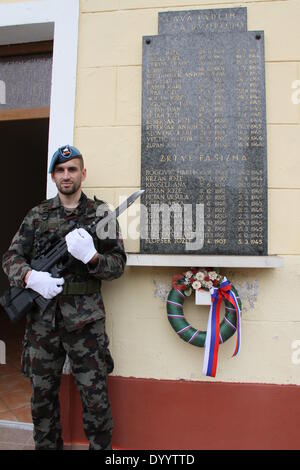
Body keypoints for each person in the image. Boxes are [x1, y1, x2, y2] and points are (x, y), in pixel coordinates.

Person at [2, 145, 126, 450]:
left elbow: (118, 264)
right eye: (61, 170)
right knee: (42, 400)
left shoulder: (100, 214)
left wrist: (93, 258)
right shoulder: (37, 216)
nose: (66, 175)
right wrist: (32, 277)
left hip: (86, 325)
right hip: (43, 324)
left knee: (95, 399)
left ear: (82, 174)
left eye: (72, 169)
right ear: (53, 175)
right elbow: (11, 258)